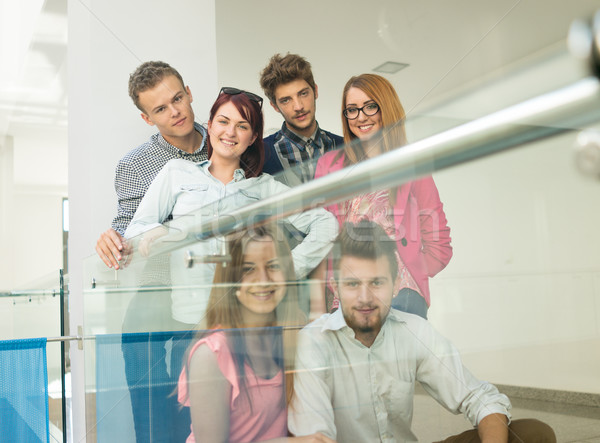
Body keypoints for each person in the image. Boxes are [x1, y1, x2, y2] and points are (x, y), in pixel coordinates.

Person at [288, 221, 557, 443]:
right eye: (352, 283)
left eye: (377, 283)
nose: (365, 298)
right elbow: (316, 436)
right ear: (335, 287)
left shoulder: (412, 331)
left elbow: (479, 398)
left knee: (534, 434)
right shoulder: (314, 342)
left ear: (395, 284)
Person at [125, 87, 338, 327]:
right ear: (210, 125)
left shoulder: (263, 188)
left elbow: (325, 223)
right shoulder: (177, 172)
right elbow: (135, 230)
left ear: (253, 137)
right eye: (223, 121)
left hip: (246, 322)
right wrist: (158, 230)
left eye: (242, 126)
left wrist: (285, 271)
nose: (230, 132)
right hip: (189, 322)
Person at [178, 224, 335, 443]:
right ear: (231, 280)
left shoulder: (290, 337)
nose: (263, 279)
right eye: (248, 269)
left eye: (273, 266)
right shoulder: (211, 355)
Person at [314, 73, 452, 318]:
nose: (361, 117)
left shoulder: (412, 164)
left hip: (402, 296)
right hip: (347, 297)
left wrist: (411, 270)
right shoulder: (330, 165)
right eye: (352, 110)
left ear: (386, 107)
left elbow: (439, 241)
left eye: (370, 106)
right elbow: (320, 237)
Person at [95, 60, 208, 270]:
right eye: (161, 109)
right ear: (147, 118)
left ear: (189, 94)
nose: (175, 111)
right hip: (165, 281)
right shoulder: (133, 165)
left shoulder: (226, 140)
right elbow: (128, 224)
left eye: (177, 98)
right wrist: (113, 240)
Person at [259, 53, 343, 186]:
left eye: (303, 94)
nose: (298, 107)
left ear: (315, 91)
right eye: (286, 100)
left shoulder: (346, 146)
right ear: (274, 106)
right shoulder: (259, 155)